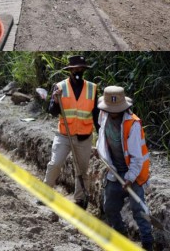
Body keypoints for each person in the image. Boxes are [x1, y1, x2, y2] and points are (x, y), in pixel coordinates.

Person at [96, 86, 153, 251]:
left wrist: (130, 177)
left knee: (139, 212)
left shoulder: (132, 124)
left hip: (133, 171)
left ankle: (147, 244)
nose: (112, 112)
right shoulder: (103, 115)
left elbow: (137, 157)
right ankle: (122, 238)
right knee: (110, 207)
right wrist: (99, 151)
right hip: (114, 171)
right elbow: (102, 138)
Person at [43, 55, 99, 209]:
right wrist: (55, 100)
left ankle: (80, 199)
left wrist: (100, 135)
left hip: (84, 137)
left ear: (84, 70)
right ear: (70, 71)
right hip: (64, 135)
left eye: (80, 68)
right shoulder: (59, 87)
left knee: (82, 170)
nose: (78, 71)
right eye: (75, 69)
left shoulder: (92, 88)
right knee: (55, 163)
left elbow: (96, 115)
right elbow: (52, 112)